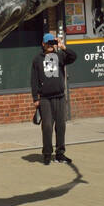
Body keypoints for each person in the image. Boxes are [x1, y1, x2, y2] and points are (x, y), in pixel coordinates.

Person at [31, 32, 76, 164]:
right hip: (45, 98)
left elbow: (74, 57)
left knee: (61, 126)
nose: (51, 45)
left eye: (53, 43)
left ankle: (60, 154)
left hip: (60, 97)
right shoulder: (37, 59)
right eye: (48, 43)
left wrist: (63, 47)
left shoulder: (60, 55)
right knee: (47, 126)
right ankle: (47, 154)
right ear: (43, 44)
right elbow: (33, 80)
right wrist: (35, 98)